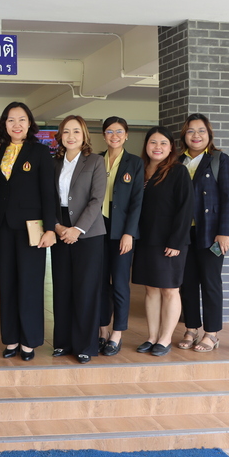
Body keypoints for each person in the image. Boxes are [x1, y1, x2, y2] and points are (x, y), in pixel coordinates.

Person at [0, 102, 57, 361]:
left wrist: (50, 228)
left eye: (22, 119)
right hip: (3, 226)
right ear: (5, 124)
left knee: (30, 284)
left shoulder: (40, 152)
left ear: (29, 123)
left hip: (32, 229)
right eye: (11, 120)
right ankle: (11, 339)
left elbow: (49, 193)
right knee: (7, 283)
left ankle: (29, 341)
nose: (17, 124)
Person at [177, 114, 229, 353]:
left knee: (211, 282)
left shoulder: (219, 159)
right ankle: (191, 328)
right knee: (187, 283)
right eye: (191, 131)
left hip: (211, 233)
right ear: (184, 135)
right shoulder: (178, 160)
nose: (196, 135)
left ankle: (211, 333)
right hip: (184, 233)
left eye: (201, 130)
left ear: (209, 134)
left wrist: (225, 232)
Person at [51, 115, 107, 364]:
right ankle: (63, 343)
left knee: (86, 289)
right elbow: (47, 197)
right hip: (60, 228)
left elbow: (97, 199)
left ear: (84, 135)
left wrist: (78, 229)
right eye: (66, 131)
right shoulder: (54, 163)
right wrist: (57, 226)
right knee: (62, 287)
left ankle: (85, 345)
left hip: (88, 231)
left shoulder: (95, 161)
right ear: (60, 136)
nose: (71, 136)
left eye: (76, 131)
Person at [133, 126, 193, 357]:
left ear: (171, 148)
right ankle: (152, 336)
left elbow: (185, 209)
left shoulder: (178, 171)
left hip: (170, 241)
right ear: (146, 145)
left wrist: (176, 242)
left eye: (163, 143)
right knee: (150, 289)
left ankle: (165, 338)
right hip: (145, 239)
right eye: (153, 142)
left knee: (169, 289)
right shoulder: (140, 170)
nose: (157, 147)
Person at [98, 117, 143, 357]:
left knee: (119, 283)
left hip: (122, 230)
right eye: (109, 131)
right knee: (100, 282)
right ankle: (102, 329)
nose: (114, 136)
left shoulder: (134, 163)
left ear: (126, 135)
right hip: (98, 228)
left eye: (119, 131)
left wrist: (129, 233)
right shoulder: (96, 160)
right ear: (103, 135)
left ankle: (117, 333)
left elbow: (137, 201)